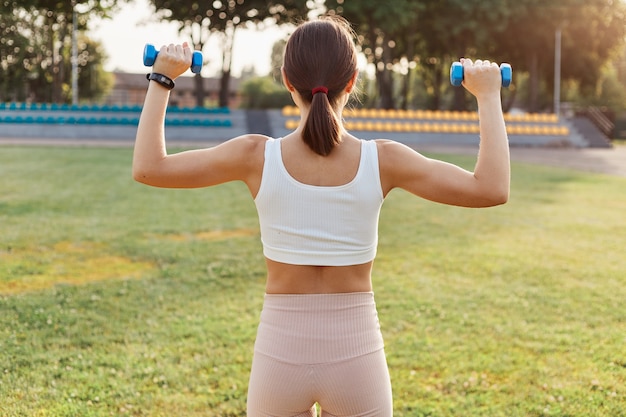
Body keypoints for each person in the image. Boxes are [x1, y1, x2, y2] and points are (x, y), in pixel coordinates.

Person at [133, 16, 509, 417]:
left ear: (286, 79)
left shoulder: (254, 156)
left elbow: (149, 168)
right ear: (352, 81)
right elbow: (491, 188)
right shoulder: (383, 160)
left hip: (280, 356)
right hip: (356, 355)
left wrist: (162, 77)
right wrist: (488, 95)